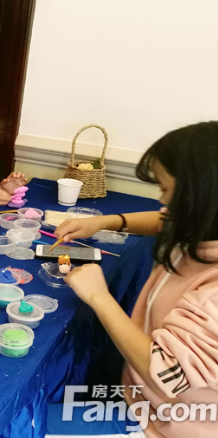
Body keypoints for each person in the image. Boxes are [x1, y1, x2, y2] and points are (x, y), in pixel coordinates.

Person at [55, 122, 218, 438]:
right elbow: (164, 220)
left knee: (27, 425)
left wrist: (99, 297)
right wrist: (108, 222)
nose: (162, 203)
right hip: (141, 396)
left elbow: (169, 376)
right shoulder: (201, 227)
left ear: (202, 197)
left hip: (164, 424)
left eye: (166, 190)